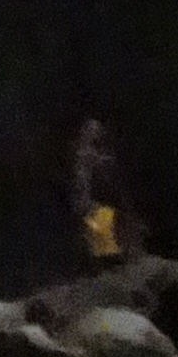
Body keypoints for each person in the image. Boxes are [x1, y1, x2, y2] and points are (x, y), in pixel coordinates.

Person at [68, 112, 130, 270]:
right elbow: (89, 167)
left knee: (104, 223)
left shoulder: (94, 152)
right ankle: (102, 260)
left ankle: (106, 258)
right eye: (93, 130)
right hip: (86, 199)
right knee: (98, 225)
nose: (97, 133)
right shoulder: (85, 153)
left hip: (93, 199)